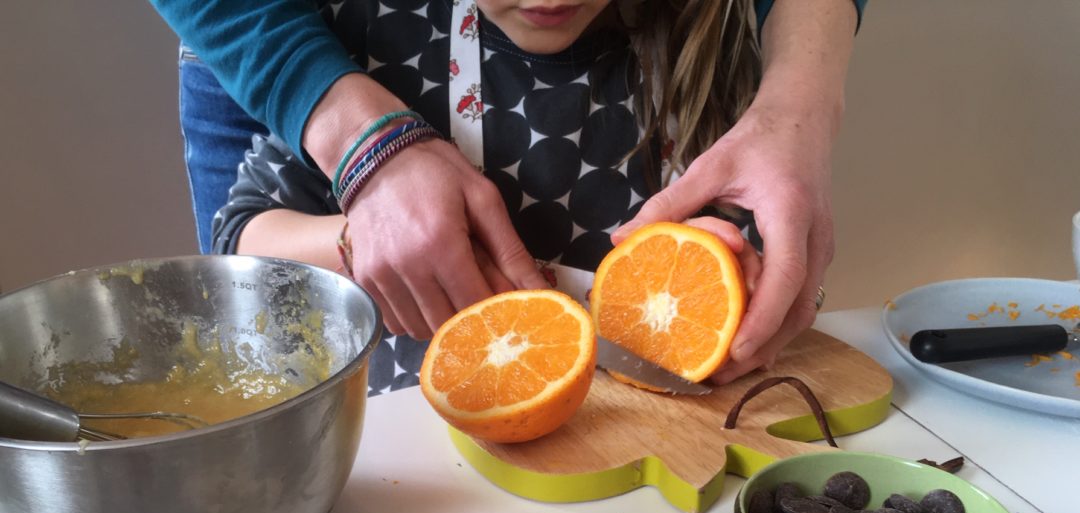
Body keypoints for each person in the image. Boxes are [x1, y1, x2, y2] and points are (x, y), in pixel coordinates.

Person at [150, 0, 866, 393]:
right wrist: (356, 236)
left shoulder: (700, 28)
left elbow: (738, 241)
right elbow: (240, 242)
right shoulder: (374, 29)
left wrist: (739, 272)